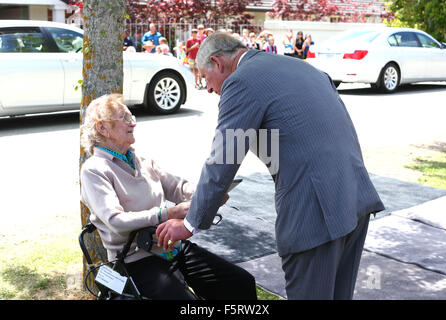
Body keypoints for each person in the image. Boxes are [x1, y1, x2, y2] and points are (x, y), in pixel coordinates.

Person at [155, 32, 385, 300]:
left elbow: (224, 157)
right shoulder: (299, 67)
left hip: (315, 210)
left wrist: (191, 223)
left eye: (205, 78)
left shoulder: (241, 81)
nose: (207, 88)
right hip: (354, 197)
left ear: (218, 63)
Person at [80, 93, 257, 300]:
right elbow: (115, 220)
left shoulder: (139, 159)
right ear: (102, 128)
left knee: (240, 283)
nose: (132, 124)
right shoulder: (94, 169)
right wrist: (168, 213)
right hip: (136, 259)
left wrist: (210, 194)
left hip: (172, 247)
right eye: (125, 119)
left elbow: (179, 187)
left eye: (132, 118)